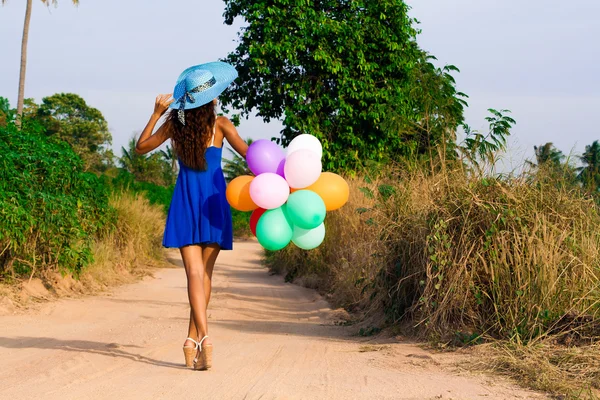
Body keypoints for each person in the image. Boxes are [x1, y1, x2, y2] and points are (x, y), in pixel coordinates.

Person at [135, 62, 248, 371]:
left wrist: (157, 113)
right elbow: (249, 156)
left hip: (185, 200)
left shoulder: (176, 124)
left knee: (195, 276)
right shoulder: (222, 124)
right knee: (205, 275)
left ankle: (195, 339)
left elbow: (141, 147)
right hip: (214, 203)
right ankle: (200, 339)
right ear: (211, 97)